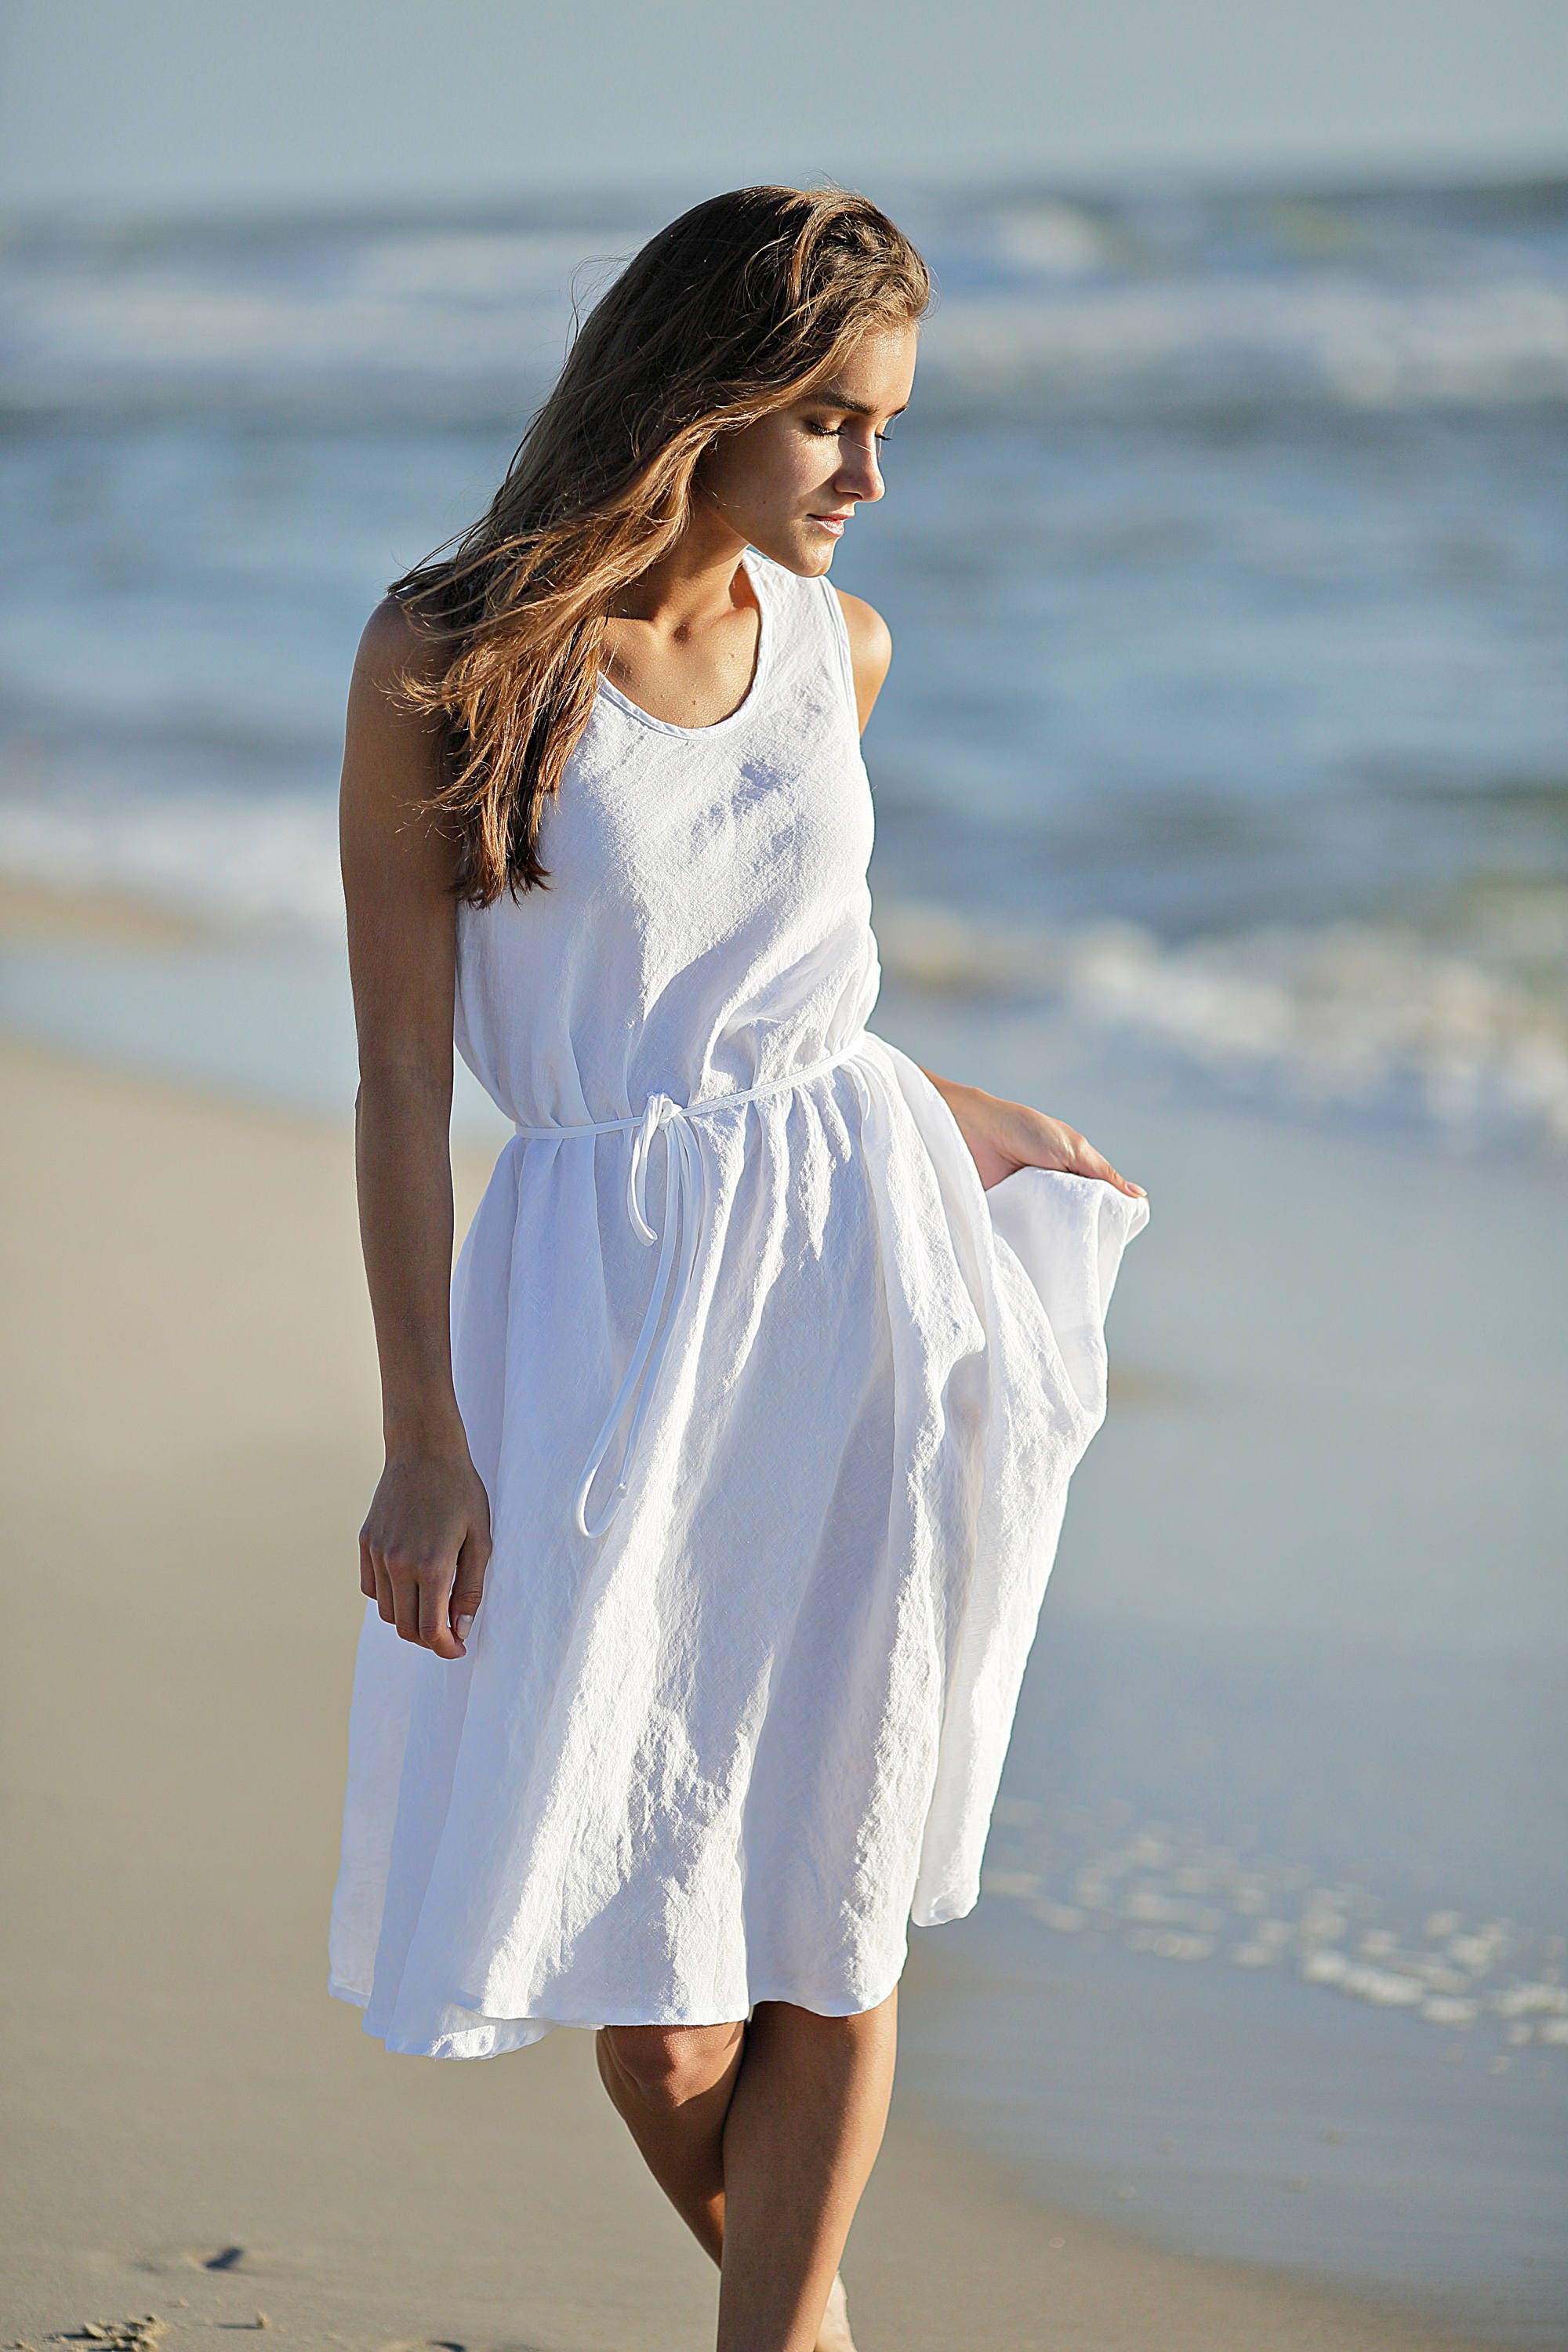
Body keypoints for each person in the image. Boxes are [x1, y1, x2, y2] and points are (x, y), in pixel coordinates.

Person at [328, 183, 1149, 2352]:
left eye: (889, 428)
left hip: (860, 1275)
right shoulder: (451, 658)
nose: (874, 480)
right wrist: (424, 1438)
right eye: (834, 426)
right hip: (598, 1323)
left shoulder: (840, 649)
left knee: (834, 1885)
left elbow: (787, 998)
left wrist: (954, 1112)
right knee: (656, 1984)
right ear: (700, 399)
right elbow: (406, 1081)